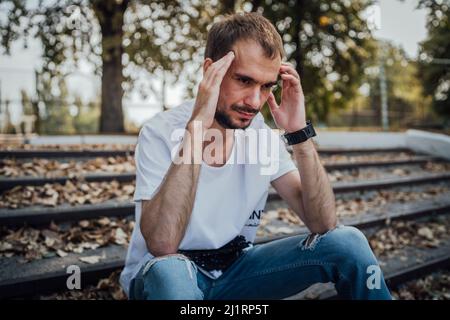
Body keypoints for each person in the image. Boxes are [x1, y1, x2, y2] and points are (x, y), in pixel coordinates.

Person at [119, 12, 392, 300]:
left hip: (237, 275)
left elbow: (323, 224)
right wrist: (197, 127)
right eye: (244, 80)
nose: (254, 101)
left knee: (348, 243)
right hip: (167, 280)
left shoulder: (260, 133)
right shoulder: (160, 132)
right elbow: (162, 245)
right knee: (170, 272)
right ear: (211, 71)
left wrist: (298, 133)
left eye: (266, 86)